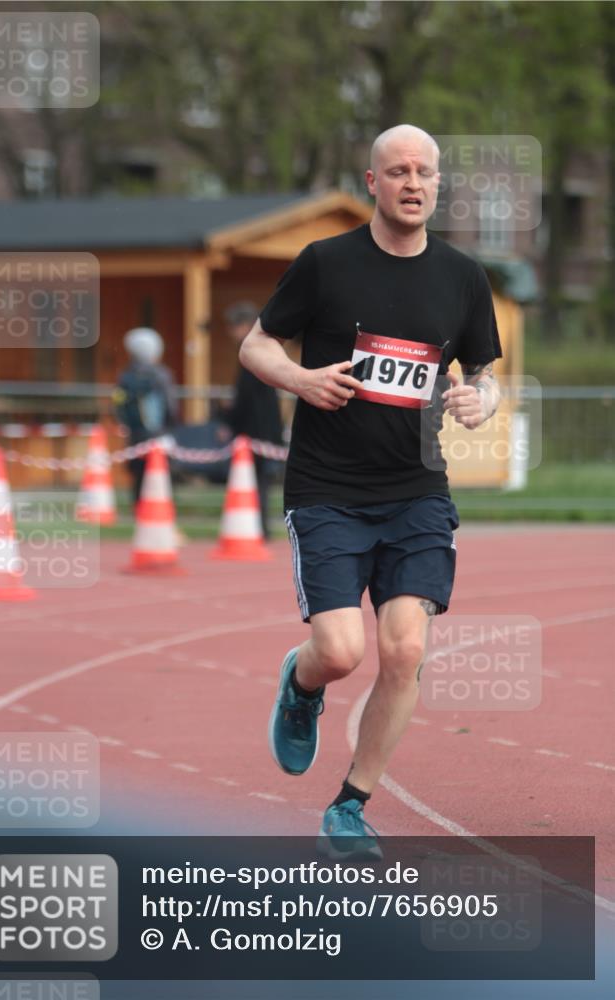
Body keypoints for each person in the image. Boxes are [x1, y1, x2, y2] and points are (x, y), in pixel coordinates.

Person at [239, 124, 502, 859]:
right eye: (398, 171)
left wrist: (483, 400)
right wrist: (301, 378)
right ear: (372, 182)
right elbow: (255, 344)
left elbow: (481, 374)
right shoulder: (324, 264)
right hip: (326, 487)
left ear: (436, 185)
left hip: (416, 488)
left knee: (404, 647)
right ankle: (302, 683)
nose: (412, 183)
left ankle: (350, 805)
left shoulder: (461, 276)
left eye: (424, 172)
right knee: (340, 649)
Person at [220, 301, 284, 540]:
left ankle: (259, 528)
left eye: (233, 326)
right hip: (263, 428)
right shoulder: (264, 351)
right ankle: (259, 526)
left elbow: (247, 398)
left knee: (256, 482)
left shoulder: (251, 354)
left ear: (245, 326)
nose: (230, 332)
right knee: (258, 482)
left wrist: (230, 420)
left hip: (256, 431)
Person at [113, 327, 179, 503]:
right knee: (160, 470)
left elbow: (118, 403)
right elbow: (171, 406)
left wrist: (124, 423)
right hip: (159, 432)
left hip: (135, 433)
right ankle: (160, 504)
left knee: (138, 471)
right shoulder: (162, 375)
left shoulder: (125, 376)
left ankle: (138, 505)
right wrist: (171, 426)